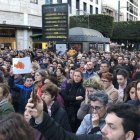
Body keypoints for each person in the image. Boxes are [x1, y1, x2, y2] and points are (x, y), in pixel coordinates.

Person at [26, 96, 140, 140]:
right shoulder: (98, 138)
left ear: (129, 135)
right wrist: (40, 115)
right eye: (105, 124)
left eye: (112, 127)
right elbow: (64, 138)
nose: (103, 130)